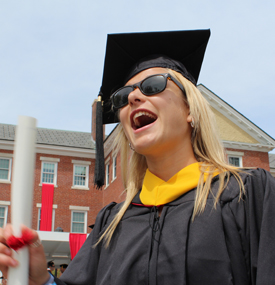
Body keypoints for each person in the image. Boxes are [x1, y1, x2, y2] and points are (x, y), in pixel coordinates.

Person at [0, 29, 275, 285]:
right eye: (122, 96)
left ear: (190, 109)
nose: (133, 97)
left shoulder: (247, 195)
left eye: (153, 85)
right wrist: (40, 280)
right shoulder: (112, 223)